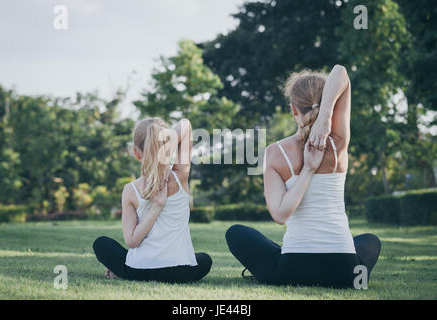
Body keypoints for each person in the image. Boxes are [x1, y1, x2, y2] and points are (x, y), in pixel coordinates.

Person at [226, 65, 381, 288]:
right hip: (346, 274)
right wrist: (326, 118)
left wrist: (307, 170)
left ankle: (283, 258)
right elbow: (341, 72)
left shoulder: (274, 153)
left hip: (291, 270)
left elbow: (280, 215)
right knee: (370, 241)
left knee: (236, 233)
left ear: (293, 110)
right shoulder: (338, 143)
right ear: (331, 103)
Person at [93, 118, 212, 283]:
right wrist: (164, 146)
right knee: (204, 259)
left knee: (101, 244)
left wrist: (155, 207)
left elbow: (132, 241)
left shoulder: (130, 190)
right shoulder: (180, 177)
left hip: (139, 271)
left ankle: (121, 271)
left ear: (136, 153)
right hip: (181, 273)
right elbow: (185, 125)